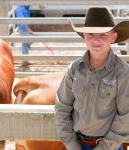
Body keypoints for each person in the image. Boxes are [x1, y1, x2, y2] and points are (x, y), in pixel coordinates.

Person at [55, 7, 129, 150]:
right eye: (90, 34)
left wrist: (104, 148)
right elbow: (62, 107)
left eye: (103, 35)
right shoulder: (74, 69)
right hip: (76, 144)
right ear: (84, 36)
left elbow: (126, 116)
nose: (96, 40)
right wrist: (70, 144)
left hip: (108, 146)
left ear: (113, 37)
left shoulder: (122, 73)